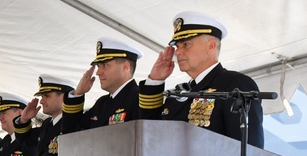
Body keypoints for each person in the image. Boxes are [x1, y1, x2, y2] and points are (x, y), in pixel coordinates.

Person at [143, 12, 265, 148]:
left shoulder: (235, 84)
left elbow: (250, 153)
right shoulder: (178, 94)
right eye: (177, 46)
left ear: (210, 46)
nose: (177, 52)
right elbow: (148, 133)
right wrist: (155, 82)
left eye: (186, 44)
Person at [62, 38, 149, 132]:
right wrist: (77, 94)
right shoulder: (102, 103)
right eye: (98, 66)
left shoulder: (141, 98)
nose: (98, 72)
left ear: (125, 66)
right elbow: (70, 133)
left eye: (105, 65)